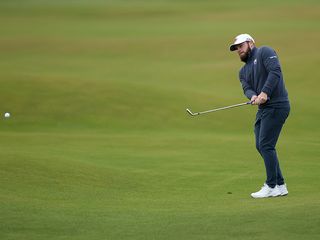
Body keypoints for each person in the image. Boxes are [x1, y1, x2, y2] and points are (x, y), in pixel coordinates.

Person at [229, 34, 290, 198]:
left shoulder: (264, 52)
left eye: (241, 46)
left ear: (251, 43)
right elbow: (246, 88)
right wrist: (253, 96)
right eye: (236, 49)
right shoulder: (242, 71)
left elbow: (275, 71)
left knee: (266, 145)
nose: (239, 50)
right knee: (260, 145)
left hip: (278, 104)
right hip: (263, 109)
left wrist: (265, 92)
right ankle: (280, 184)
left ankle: (271, 185)